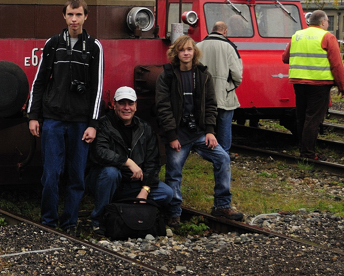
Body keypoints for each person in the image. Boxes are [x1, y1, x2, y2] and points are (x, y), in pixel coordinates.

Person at [27, 0, 104, 235]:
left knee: (76, 176)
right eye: (70, 14)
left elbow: (97, 87)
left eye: (78, 15)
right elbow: (39, 82)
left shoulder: (94, 46)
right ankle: (49, 221)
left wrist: (93, 124)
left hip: (80, 122)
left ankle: (70, 222)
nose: (74, 20)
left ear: (86, 17)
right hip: (53, 120)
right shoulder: (53, 44)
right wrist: (33, 116)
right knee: (51, 174)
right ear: (64, 16)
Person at [155, 35, 243, 225]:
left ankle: (222, 205)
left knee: (222, 158)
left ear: (194, 52)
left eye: (189, 49)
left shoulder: (203, 74)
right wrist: (171, 135)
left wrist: (210, 131)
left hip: (200, 133)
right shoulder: (167, 75)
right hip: (178, 135)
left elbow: (211, 104)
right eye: (182, 50)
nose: (186, 53)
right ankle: (174, 212)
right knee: (174, 173)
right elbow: (163, 107)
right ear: (176, 53)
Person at [88, 86, 173, 232]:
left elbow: (153, 162)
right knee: (111, 173)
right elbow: (99, 152)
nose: (126, 107)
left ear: (136, 106)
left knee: (167, 193)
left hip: (132, 184)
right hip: (106, 180)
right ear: (114, 105)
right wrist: (127, 162)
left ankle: (125, 209)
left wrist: (145, 190)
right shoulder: (102, 125)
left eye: (130, 103)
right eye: (122, 103)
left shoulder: (145, 128)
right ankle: (98, 219)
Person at [281, 10, 344, 161]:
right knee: (313, 119)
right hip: (319, 84)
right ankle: (308, 154)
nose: (327, 24)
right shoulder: (327, 37)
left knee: (302, 117)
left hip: (298, 83)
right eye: (327, 21)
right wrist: (342, 86)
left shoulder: (297, 35)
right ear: (323, 22)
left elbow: (285, 58)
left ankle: (303, 149)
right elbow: (337, 64)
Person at [197, 22, 243, 156]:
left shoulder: (198, 46)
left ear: (212, 30)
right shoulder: (229, 47)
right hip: (224, 93)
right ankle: (223, 153)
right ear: (225, 31)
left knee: (203, 123)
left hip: (203, 94)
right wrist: (230, 86)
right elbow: (237, 75)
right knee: (224, 125)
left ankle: (204, 151)